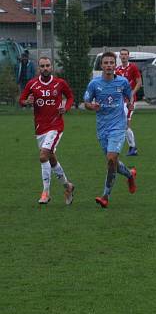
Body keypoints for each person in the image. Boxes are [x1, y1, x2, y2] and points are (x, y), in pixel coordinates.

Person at [18, 56, 76, 205]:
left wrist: (66, 107)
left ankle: (46, 192)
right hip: (40, 128)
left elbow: (70, 97)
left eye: (47, 65)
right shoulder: (32, 84)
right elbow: (21, 100)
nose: (45, 68)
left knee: (43, 155)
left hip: (55, 126)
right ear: (39, 68)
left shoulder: (59, 83)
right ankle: (67, 186)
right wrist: (26, 102)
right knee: (50, 158)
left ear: (52, 67)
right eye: (42, 66)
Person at [83, 52, 138, 208]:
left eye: (111, 63)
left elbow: (130, 96)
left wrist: (130, 104)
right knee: (112, 162)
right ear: (101, 65)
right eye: (105, 63)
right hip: (102, 128)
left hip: (118, 127)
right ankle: (129, 174)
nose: (108, 65)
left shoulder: (123, 82)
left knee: (111, 158)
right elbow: (86, 102)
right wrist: (91, 106)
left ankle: (105, 196)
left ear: (115, 65)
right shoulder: (94, 84)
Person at [115, 49, 142, 156]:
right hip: (120, 101)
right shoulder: (117, 70)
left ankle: (133, 147)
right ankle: (130, 147)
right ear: (120, 57)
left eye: (125, 54)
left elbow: (139, 82)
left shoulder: (133, 68)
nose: (123, 56)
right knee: (121, 124)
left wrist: (132, 93)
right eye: (122, 54)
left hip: (130, 101)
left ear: (128, 56)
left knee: (125, 124)